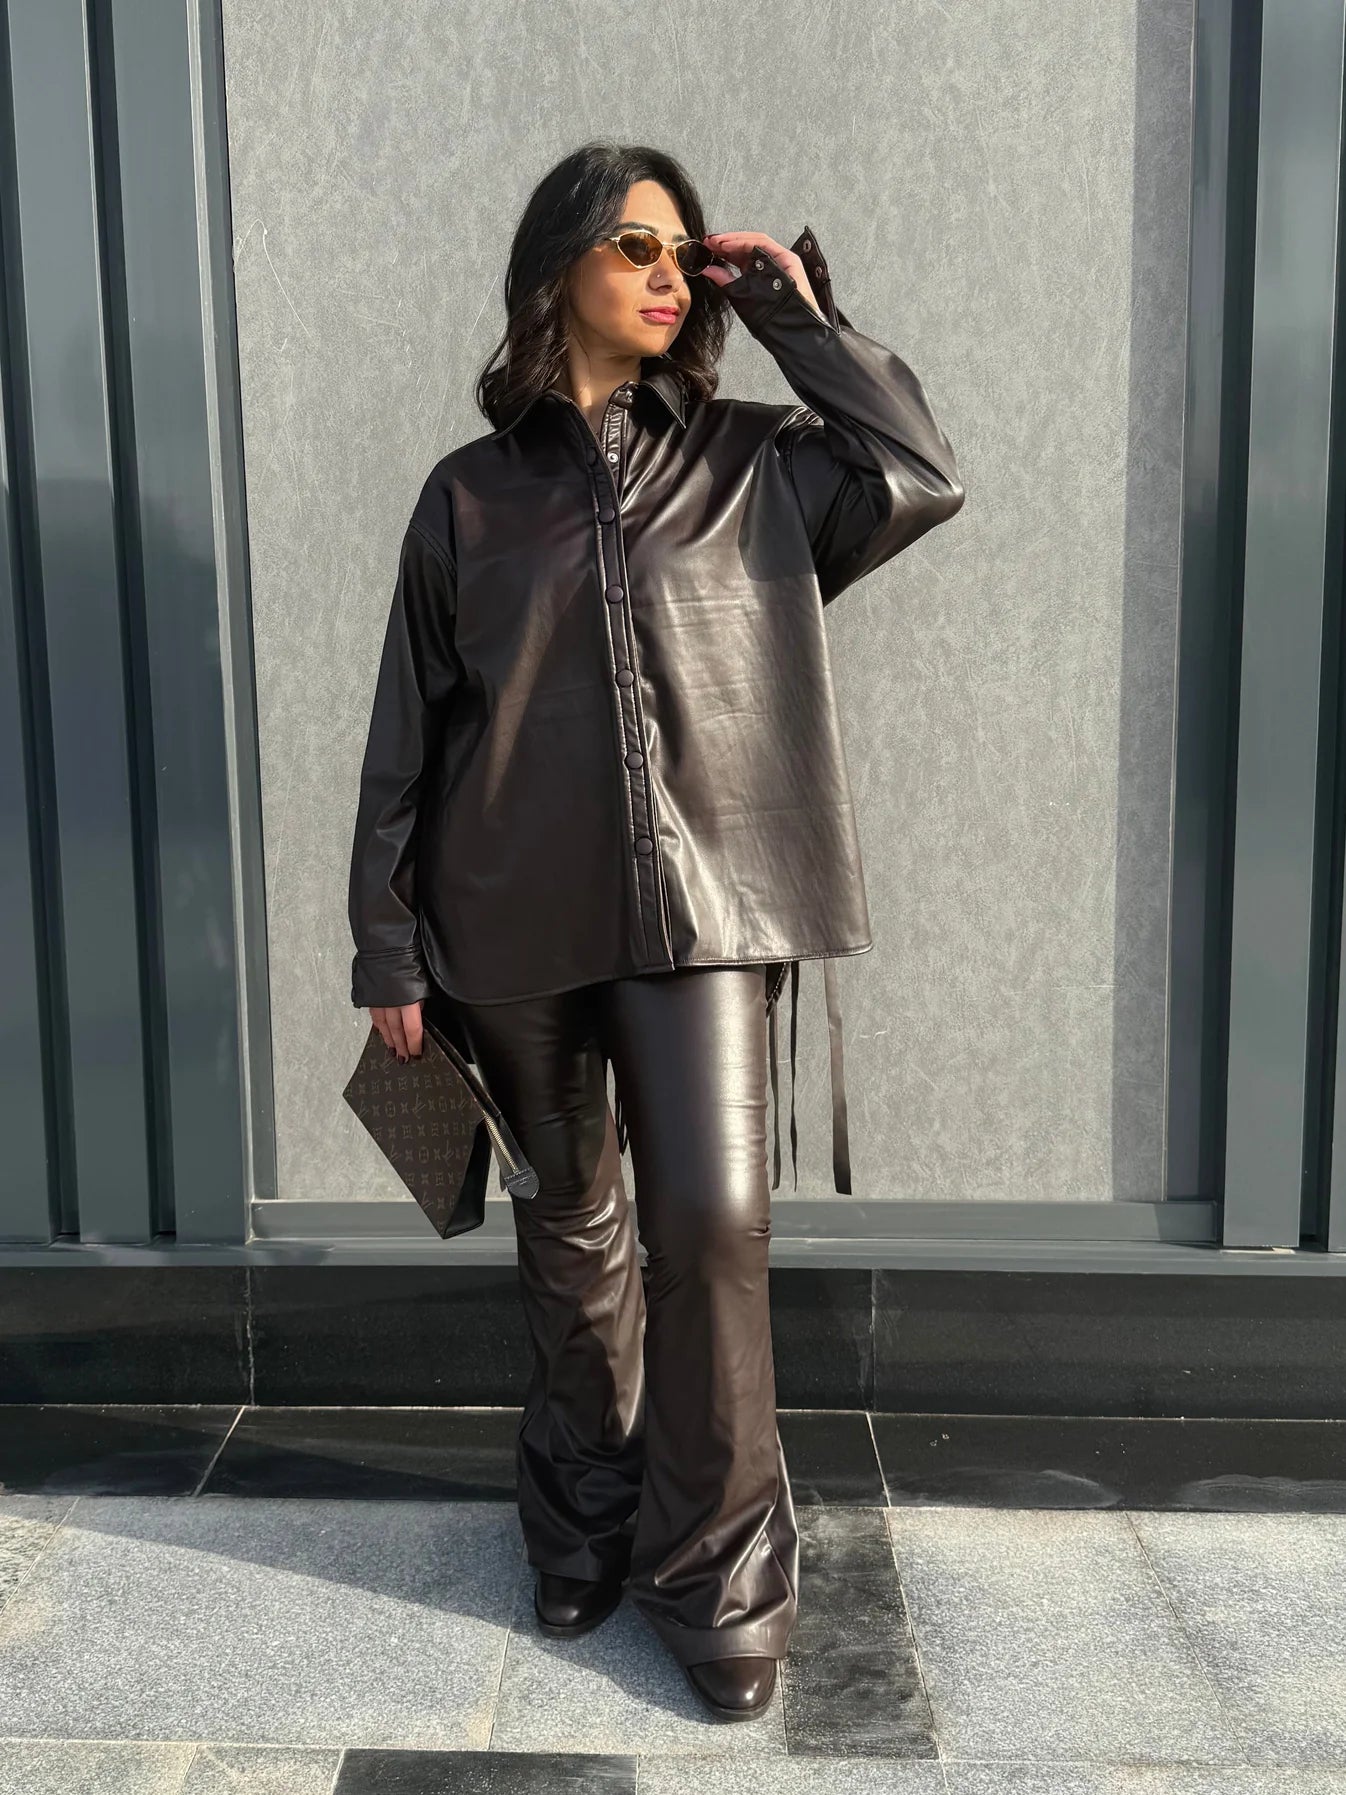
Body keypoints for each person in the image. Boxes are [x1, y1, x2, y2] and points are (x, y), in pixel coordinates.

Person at [347, 142, 963, 1721]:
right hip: (507, 917)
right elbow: (410, 733)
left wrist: (797, 314)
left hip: (709, 908)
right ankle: (582, 1520)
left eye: (683, 251)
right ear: (557, 265)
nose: (668, 271)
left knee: (710, 1227)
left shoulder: (766, 461)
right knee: (569, 1227)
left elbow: (917, 471)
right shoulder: (468, 495)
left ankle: (721, 1577)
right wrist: (386, 949)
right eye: (635, 244)